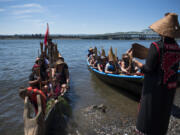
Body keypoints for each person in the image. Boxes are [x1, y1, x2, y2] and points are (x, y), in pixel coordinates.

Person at [134, 13, 180, 135]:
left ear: (161, 30)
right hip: (169, 87)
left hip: (155, 88)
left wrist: (135, 62)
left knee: (148, 114)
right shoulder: (177, 47)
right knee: (163, 113)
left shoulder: (156, 46)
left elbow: (148, 69)